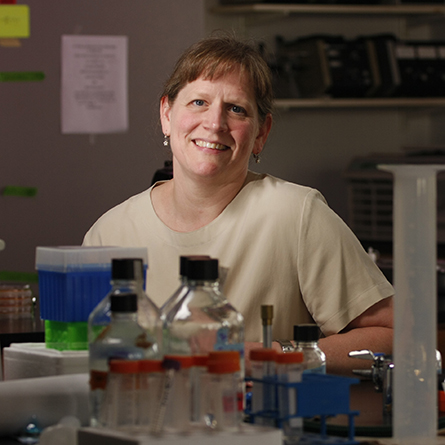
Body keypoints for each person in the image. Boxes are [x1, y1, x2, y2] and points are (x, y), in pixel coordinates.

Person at [83, 33, 394, 376]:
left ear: (262, 132)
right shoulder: (109, 233)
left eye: (236, 109)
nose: (215, 124)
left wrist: (277, 356)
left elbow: (396, 334)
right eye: (199, 102)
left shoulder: (296, 214)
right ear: (167, 115)